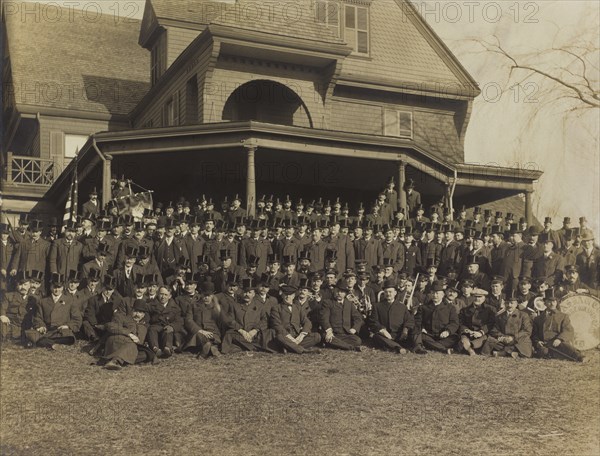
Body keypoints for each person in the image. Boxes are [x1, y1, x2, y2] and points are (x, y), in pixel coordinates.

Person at [25, 274, 82, 349]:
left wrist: (67, 326)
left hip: (62, 331)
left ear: (63, 287)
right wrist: (41, 326)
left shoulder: (70, 301)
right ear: (51, 287)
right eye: (55, 287)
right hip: (48, 331)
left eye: (59, 287)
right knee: (33, 336)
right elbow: (38, 318)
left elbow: (77, 318)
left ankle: (49, 342)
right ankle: (53, 343)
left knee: (69, 338)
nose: (57, 290)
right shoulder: (43, 301)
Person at [532, 289, 586, 362]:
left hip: (557, 342)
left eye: (554, 301)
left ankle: (578, 356)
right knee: (543, 351)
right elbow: (534, 333)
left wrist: (559, 339)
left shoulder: (563, 316)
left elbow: (568, 330)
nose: (552, 304)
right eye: (549, 301)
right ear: (545, 303)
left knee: (564, 347)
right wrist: (537, 341)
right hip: (544, 344)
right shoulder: (538, 318)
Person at [101, 299, 156, 370]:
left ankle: (115, 359)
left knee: (146, 354)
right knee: (132, 346)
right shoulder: (123, 318)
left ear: (143, 315)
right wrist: (129, 334)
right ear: (132, 311)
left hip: (132, 347)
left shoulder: (144, 327)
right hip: (118, 341)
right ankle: (115, 361)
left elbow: (143, 341)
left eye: (140, 312)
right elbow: (110, 326)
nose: (137, 314)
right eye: (135, 311)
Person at [221, 278, 272, 354]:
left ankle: (242, 347)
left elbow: (264, 320)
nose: (247, 294)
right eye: (245, 292)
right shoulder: (235, 305)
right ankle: (253, 348)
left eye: (249, 292)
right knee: (229, 333)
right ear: (242, 293)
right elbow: (230, 320)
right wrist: (242, 331)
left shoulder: (260, 306)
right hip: (240, 334)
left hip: (255, 334)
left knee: (268, 333)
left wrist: (255, 330)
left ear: (254, 294)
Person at [369, 279, 417, 354]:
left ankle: (417, 347)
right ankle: (398, 348)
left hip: (400, 335)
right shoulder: (377, 306)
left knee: (415, 331)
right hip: (385, 336)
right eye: (386, 292)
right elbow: (373, 322)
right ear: (384, 293)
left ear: (395, 293)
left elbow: (409, 320)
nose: (388, 294)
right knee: (376, 336)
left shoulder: (402, 306)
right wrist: (382, 330)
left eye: (390, 292)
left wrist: (405, 330)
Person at [270, 285, 321, 354]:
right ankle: (303, 350)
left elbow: (307, 322)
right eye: (286, 295)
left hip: (298, 336)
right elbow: (277, 325)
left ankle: (289, 348)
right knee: (279, 337)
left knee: (316, 336)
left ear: (294, 296)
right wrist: (290, 338)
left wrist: (301, 335)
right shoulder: (276, 308)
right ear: (282, 295)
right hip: (286, 336)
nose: (288, 297)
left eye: (290, 295)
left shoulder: (297, 308)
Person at [482, 290, 533, 358]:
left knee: (525, 342)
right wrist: (502, 337)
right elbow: (494, 330)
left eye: (512, 303)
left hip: (517, 339)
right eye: (507, 303)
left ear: (516, 304)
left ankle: (504, 353)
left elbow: (527, 330)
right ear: (504, 304)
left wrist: (513, 338)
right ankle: (510, 352)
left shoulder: (523, 315)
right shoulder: (499, 316)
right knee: (490, 340)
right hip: (503, 340)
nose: (509, 305)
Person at [414, 280, 459, 354]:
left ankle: (431, 345)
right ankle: (443, 349)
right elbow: (417, 321)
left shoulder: (450, 308)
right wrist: (422, 328)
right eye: (433, 293)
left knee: (455, 338)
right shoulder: (423, 307)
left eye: (437, 293)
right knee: (419, 335)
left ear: (443, 295)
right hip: (428, 335)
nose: (435, 295)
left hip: (444, 336)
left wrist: (447, 331)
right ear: (430, 294)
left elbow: (454, 323)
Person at [183, 279, 223, 359]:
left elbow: (221, 323)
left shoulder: (217, 308)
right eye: (204, 295)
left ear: (213, 295)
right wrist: (201, 330)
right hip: (198, 332)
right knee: (200, 336)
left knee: (212, 337)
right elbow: (188, 320)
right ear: (201, 294)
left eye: (209, 295)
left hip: (213, 333)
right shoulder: (193, 306)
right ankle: (211, 348)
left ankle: (207, 349)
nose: (206, 298)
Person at [320, 281, 364, 351]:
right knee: (328, 338)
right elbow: (324, 319)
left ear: (345, 293)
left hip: (345, 334)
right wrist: (328, 331)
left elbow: (358, 318)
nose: (339, 293)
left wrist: (354, 328)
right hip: (333, 332)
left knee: (357, 340)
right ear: (334, 291)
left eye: (342, 292)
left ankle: (335, 344)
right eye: (337, 291)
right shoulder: (328, 303)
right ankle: (351, 348)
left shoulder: (349, 304)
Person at [0, 271, 36, 343]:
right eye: (20, 284)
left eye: (25, 284)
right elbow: (3, 307)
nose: (23, 287)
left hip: (25, 328)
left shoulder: (34, 299)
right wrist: (2, 315)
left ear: (29, 285)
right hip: (10, 325)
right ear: (17, 285)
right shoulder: (9, 296)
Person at [458, 288, 496, 356]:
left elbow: (491, 323)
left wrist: (480, 332)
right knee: (463, 339)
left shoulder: (490, 309)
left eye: (479, 297)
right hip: (468, 333)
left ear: (484, 298)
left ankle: (469, 347)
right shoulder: (465, 310)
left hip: (482, 334)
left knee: (481, 341)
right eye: (475, 296)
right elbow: (461, 322)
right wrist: (467, 330)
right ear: (472, 297)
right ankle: (469, 349)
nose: (477, 299)